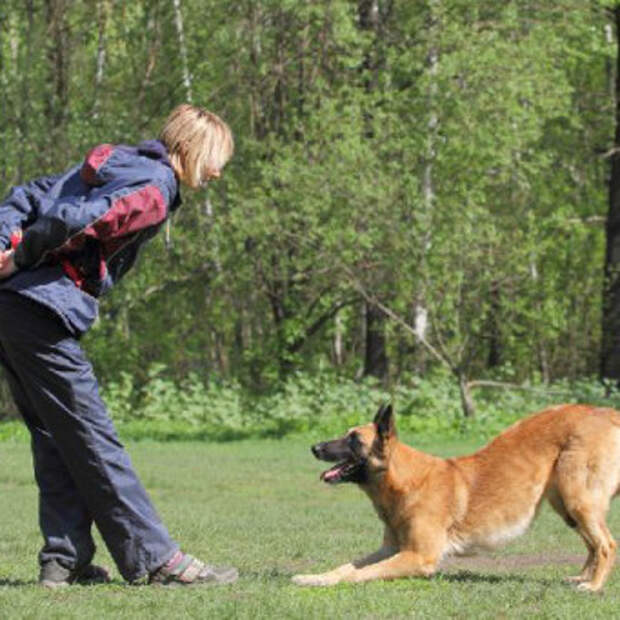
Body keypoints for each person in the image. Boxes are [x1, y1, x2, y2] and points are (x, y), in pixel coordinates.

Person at [0, 104, 237, 588]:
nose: (216, 172)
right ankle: (157, 560)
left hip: (11, 308)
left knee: (56, 436)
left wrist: (4, 243)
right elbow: (85, 218)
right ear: (192, 149)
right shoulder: (155, 186)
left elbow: (29, 196)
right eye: (216, 159)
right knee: (92, 435)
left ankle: (64, 561)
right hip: (39, 306)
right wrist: (20, 254)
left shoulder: (117, 163)